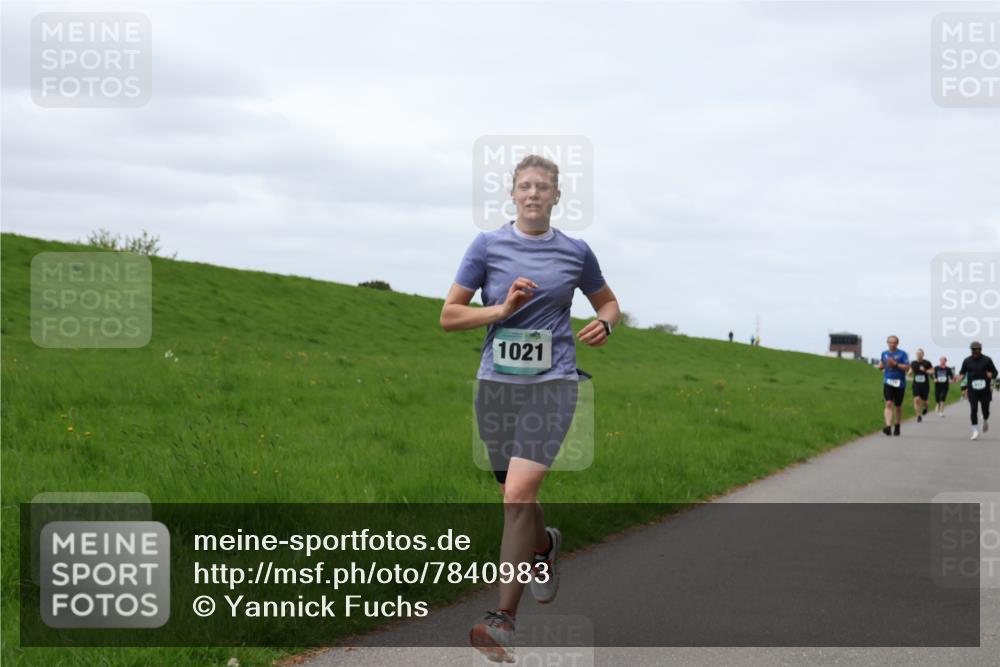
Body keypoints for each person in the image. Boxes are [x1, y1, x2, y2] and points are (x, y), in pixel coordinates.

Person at [441, 154, 620, 663]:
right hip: (497, 387)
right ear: (513, 194)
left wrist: (605, 323)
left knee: (518, 493)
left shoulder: (575, 252)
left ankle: (503, 620)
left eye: (544, 187)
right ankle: (543, 546)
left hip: (555, 383)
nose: (535, 193)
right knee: (511, 494)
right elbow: (449, 316)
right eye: (526, 186)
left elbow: (608, 302)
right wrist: (500, 310)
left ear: (557, 196)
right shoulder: (487, 246)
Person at [954, 341, 998, 440]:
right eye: (973, 350)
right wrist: (958, 378)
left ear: (980, 350)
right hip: (972, 389)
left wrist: (992, 375)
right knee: (974, 409)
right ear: (971, 350)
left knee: (985, 410)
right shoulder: (967, 361)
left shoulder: (987, 360)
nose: (975, 351)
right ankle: (975, 430)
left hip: (985, 389)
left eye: (977, 349)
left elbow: (995, 372)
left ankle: (985, 420)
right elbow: (962, 373)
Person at [877, 335, 909, 436]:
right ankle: (888, 426)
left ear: (897, 343)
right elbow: (882, 365)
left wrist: (895, 364)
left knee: (898, 406)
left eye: (894, 342)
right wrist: (881, 366)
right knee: (889, 403)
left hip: (900, 383)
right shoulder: (884, 353)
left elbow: (907, 367)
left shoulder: (902, 354)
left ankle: (897, 425)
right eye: (890, 342)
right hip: (888, 381)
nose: (892, 344)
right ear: (887, 343)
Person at [908, 349, 933, 422]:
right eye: (917, 354)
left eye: (920, 354)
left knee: (924, 401)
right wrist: (909, 373)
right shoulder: (913, 363)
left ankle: (926, 408)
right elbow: (911, 370)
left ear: (923, 354)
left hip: (925, 385)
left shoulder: (927, 363)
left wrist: (925, 370)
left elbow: (932, 371)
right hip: (916, 384)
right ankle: (918, 416)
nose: (918, 355)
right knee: (916, 399)